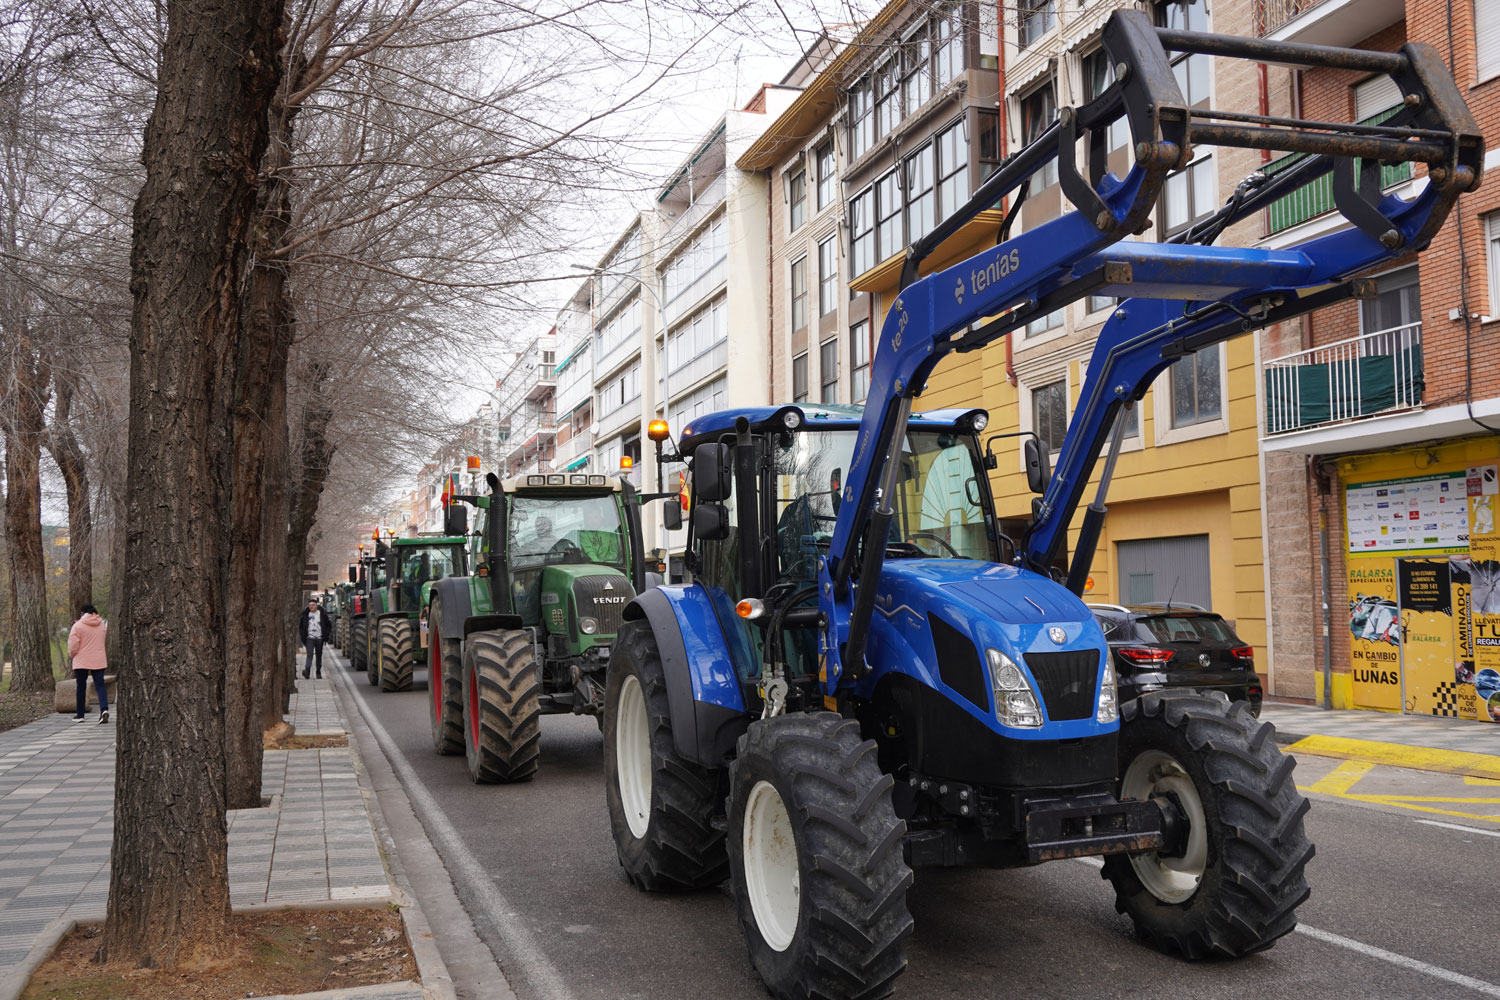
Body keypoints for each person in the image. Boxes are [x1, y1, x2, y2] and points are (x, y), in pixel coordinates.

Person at [67, 604, 108, 724]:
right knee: (100, 685)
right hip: (99, 658)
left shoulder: (78, 625)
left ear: (82, 613)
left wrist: (72, 654)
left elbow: (73, 645)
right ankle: (104, 709)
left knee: (81, 687)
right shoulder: (101, 624)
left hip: (81, 659)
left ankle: (80, 715)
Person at [299, 597, 333, 679]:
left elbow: (329, 625)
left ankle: (318, 672)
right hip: (309, 638)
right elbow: (301, 627)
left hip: (319, 638)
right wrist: (303, 636)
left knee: (318, 655)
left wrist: (326, 635)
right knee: (309, 655)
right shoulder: (305, 615)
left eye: (313, 605)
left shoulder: (322, 614)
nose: (311, 607)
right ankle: (307, 671)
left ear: (316, 606)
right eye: (310, 605)